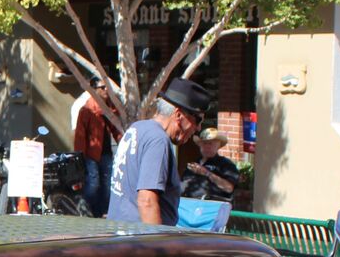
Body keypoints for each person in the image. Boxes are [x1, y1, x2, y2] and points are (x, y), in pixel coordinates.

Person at [106, 78, 210, 226]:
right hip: (138, 237)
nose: (198, 128)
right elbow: (147, 201)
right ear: (178, 115)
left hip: (118, 232)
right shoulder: (158, 140)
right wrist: (156, 241)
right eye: (198, 120)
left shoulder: (137, 128)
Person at [73, 85, 125, 215]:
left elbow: (116, 129)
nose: (106, 90)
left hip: (106, 154)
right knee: (93, 184)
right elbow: (80, 136)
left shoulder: (109, 109)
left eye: (107, 87)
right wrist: (80, 157)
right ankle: (87, 209)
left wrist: (124, 143)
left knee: (108, 186)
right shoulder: (86, 110)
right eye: (102, 87)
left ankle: (101, 212)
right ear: (94, 89)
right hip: (91, 155)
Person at [182, 128, 243, 202]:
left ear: (218, 146)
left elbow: (229, 188)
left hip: (212, 206)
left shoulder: (226, 164)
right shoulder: (193, 164)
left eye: (210, 143)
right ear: (200, 145)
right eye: (204, 143)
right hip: (189, 204)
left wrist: (207, 173)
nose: (207, 146)